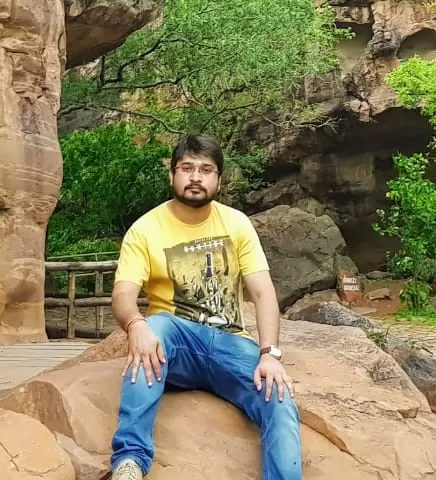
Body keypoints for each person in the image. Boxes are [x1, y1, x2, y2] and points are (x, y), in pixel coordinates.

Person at [107, 134, 301, 480]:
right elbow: (123, 293)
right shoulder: (145, 229)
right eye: (187, 168)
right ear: (172, 176)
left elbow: (262, 291)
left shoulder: (237, 223)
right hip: (176, 345)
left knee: (279, 395)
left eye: (206, 170)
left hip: (230, 344)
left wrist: (270, 353)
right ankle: (130, 461)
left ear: (219, 180)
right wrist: (135, 326)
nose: (196, 177)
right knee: (153, 330)